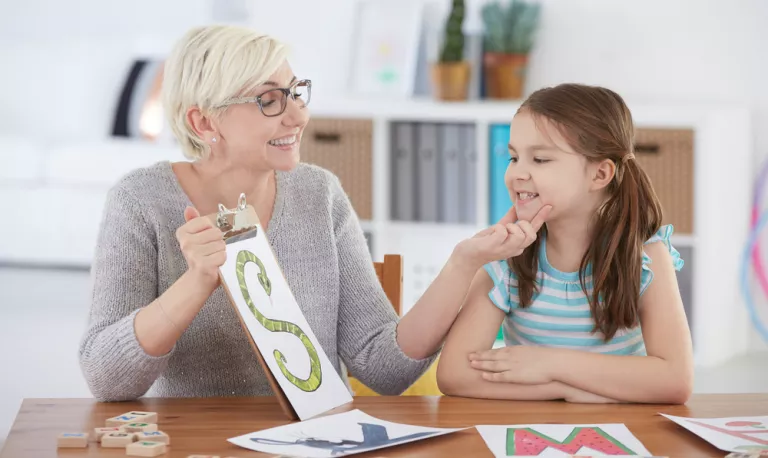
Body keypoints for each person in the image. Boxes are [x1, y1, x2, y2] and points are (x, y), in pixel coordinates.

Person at [78, 24, 550, 401]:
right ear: (204, 122)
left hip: (316, 439)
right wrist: (196, 282)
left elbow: (383, 367)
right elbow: (107, 379)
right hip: (197, 441)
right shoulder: (139, 201)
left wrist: (464, 262)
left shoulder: (318, 194)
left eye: (296, 91)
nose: (298, 116)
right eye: (269, 100)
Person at [436, 83, 694, 404]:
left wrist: (550, 364)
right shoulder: (504, 256)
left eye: (540, 159)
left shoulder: (646, 255)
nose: (517, 173)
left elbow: (675, 381)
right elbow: (454, 374)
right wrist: (563, 390)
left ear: (600, 175)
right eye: (514, 157)